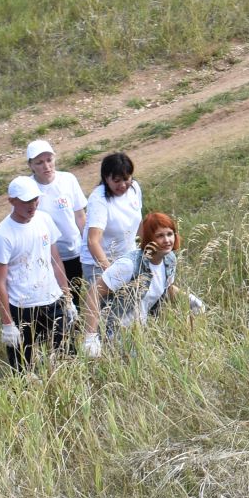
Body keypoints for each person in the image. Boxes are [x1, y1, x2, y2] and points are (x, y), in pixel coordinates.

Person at [0, 176, 73, 371]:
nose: (32, 205)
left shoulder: (44, 220)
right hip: (23, 306)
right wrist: (8, 323)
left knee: (65, 358)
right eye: (26, 201)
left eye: (35, 199)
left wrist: (67, 297)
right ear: (12, 201)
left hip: (53, 300)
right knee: (24, 368)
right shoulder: (2, 236)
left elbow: (55, 260)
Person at [79, 151, 143, 356]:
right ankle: (94, 345)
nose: (123, 185)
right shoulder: (98, 199)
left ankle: (129, 350)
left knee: (128, 309)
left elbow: (138, 224)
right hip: (100, 262)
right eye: (116, 181)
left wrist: (149, 250)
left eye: (126, 179)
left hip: (128, 257)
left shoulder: (134, 189)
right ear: (106, 178)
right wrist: (110, 271)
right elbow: (93, 241)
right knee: (106, 311)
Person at [25, 139, 86, 346]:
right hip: (48, 259)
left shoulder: (68, 180)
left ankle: (79, 336)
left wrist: (88, 243)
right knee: (57, 303)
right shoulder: (28, 188)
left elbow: (79, 216)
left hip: (75, 251)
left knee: (77, 297)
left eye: (49, 160)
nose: (46, 166)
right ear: (31, 165)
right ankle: (60, 343)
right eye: (40, 162)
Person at [93, 212, 185, 337]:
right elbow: (93, 293)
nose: (167, 240)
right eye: (160, 236)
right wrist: (90, 336)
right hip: (114, 332)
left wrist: (189, 300)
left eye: (169, 234)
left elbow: (167, 288)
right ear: (149, 238)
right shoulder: (129, 264)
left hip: (139, 332)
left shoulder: (169, 259)